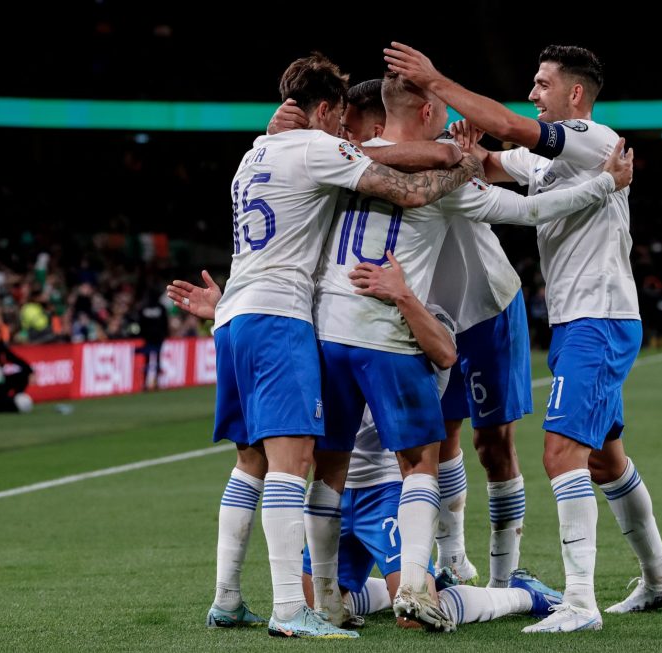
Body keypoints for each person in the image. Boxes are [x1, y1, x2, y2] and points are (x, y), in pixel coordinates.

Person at [385, 42, 662, 632]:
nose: (533, 93)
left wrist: (436, 81)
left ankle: (579, 603)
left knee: (559, 454)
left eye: (542, 84)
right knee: (606, 460)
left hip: (599, 318)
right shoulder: (547, 162)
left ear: (575, 93)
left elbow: (508, 126)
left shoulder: (595, 140)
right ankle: (660, 579)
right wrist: (465, 148)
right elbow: (489, 162)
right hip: (578, 321)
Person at [196, 53, 481, 640]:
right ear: (324, 109)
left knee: (250, 461)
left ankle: (227, 597)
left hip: (233, 316)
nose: (346, 130)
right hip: (280, 317)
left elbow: (365, 156)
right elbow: (404, 190)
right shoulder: (315, 147)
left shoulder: (253, 153)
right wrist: (461, 161)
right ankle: (288, 609)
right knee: (293, 461)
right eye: (339, 117)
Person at [169, 261, 565, 633]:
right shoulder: (321, 314)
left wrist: (402, 295)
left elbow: (447, 353)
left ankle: (521, 595)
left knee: (417, 615)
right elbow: (277, 339)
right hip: (335, 496)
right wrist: (230, 309)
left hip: (386, 492)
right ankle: (399, 588)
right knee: (319, 603)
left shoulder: (423, 311)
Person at [137, 289, 168, 390]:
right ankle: (156, 382)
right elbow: (165, 323)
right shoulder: (161, 308)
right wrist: (165, 335)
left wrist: (142, 335)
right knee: (158, 359)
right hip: (158, 338)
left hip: (147, 338)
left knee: (147, 360)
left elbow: (140, 323)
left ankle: (145, 383)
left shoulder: (143, 308)